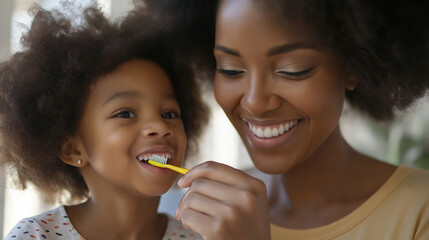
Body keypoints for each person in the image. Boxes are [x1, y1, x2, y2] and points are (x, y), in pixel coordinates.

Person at [142, 0, 429, 239]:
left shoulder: (419, 212)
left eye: (293, 70)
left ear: (353, 65)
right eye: (230, 70)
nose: (255, 101)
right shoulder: (196, 215)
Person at [0, 3, 208, 240]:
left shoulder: (198, 237)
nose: (161, 126)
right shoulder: (34, 236)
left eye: (169, 114)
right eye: (126, 114)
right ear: (72, 148)